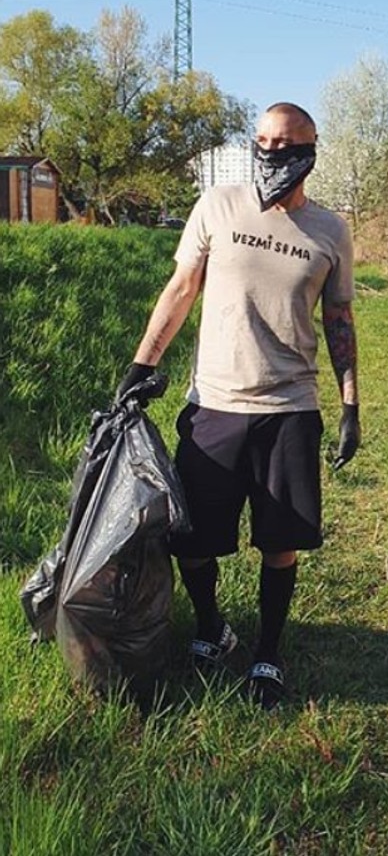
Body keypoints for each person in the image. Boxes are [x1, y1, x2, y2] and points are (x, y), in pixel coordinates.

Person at [114, 102, 360, 709]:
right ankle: (211, 628)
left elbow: (339, 318)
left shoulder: (330, 231)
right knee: (193, 539)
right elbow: (180, 289)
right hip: (215, 406)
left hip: (290, 410)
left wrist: (351, 403)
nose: (272, 153)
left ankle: (268, 654)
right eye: (263, 141)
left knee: (280, 542)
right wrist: (143, 364)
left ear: (310, 150)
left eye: (286, 144)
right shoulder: (217, 207)